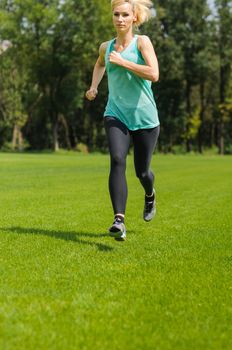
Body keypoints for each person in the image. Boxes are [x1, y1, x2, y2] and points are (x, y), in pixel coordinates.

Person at [86, 0, 160, 241]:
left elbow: (154, 74)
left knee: (142, 172)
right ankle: (119, 220)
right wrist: (94, 86)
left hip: (145, 117)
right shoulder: (105, 47)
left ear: (134, 18)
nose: (119, 18)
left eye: (124, 14)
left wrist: (124, 62)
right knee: (117, 160)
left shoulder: (142, 42)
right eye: (116, 14)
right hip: (115, 112)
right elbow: (100, 64)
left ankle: (150, 194)